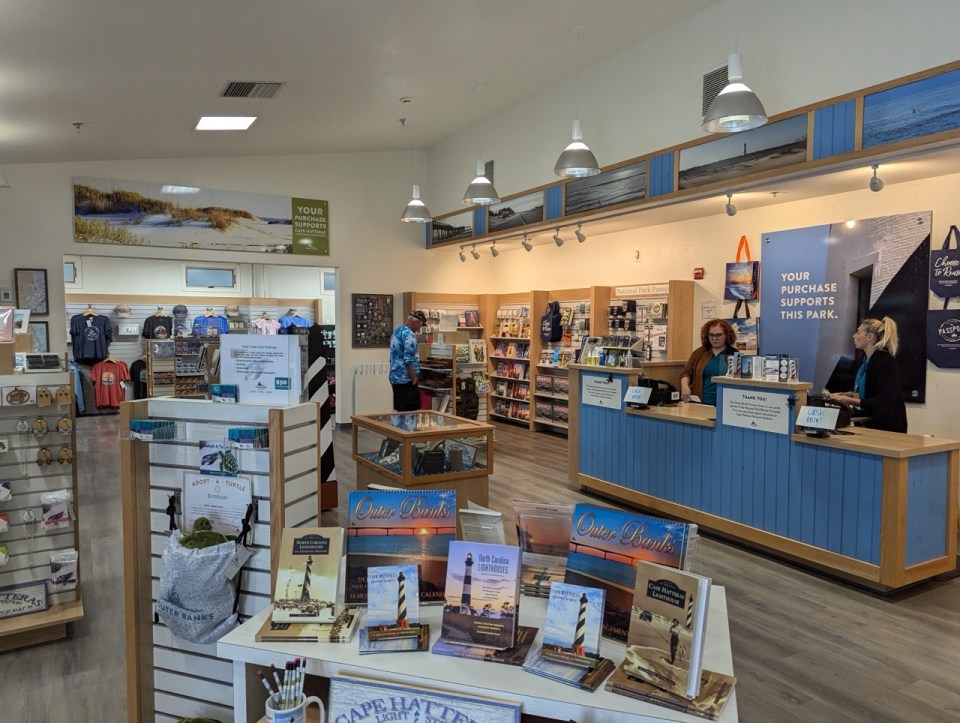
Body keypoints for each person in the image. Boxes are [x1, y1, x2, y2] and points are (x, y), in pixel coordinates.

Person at [828, 316, 907, 433]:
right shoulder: (865, 360)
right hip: (868, 423)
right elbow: (866, 391)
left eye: (858, 332)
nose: (854, 336)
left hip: (886, 428)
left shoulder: (884, 361)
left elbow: (885, 400)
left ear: (870, 337)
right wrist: (847, 395)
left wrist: (849, 400)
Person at [679, 319, 738, 405]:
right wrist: (684, 386)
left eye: (718, 335)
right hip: (700, 402)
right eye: (711, 335)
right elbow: (686, 373)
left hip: (726, 403)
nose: (714, 338)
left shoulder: (734, 354)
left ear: (727, 335)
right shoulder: (699, 353)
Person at [389, 309, 427, 411]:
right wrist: (414, 379)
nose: (419, 329)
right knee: (411, 413)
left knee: (401, 412)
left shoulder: (397, 332)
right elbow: (408, 360)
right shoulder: (410, 335)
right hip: (406, 380)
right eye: (420, 326)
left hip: (395, 378)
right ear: (417, 322)